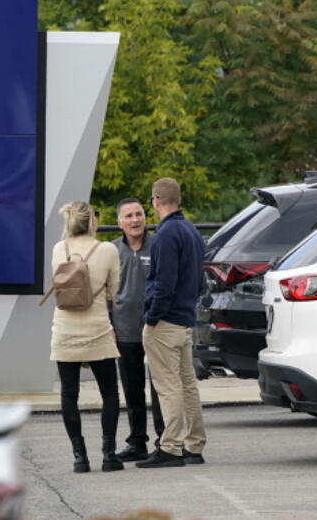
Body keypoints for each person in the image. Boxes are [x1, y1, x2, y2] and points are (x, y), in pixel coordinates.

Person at [137, 178, 207, 469]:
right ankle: (194, 444)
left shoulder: (165, 234)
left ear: (155, 200)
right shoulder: (191, 230)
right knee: (187, 384)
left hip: (165, 322)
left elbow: (164, 283)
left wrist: (153, 317)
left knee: (168, 386)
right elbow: (200, 282)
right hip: (185, 319)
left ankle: (171, 447)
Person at [49, 201, 123, 473]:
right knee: (110, 393)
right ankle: (109, 455)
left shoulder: (59, 249)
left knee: (69, 395)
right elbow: (115, 291)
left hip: (64, 331)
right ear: (92, 220)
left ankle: (80, 457)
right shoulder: (107, 250)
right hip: (98, 331)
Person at [110, 197, 165, 462]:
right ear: (119, 222)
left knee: (160, 387)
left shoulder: (159, 246)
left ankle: (164, 440)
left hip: (155, 328)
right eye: (129, 216)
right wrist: (109, 325)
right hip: (124, 330)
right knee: (132, 388)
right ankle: (137, 442)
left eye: (139, 214)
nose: (135, 220)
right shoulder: (111, 251)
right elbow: (104, 292)